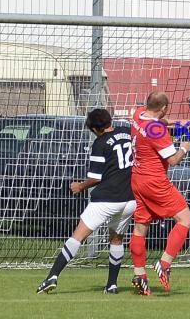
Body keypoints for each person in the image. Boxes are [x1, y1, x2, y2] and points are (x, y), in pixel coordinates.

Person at [36, 109, 136, 294]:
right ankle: (112, 285)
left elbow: (96, 177)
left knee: (78, 236)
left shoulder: (100, 143)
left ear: (95, 129)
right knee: (116, 239)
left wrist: (80, 186)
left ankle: (53, 276)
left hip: (106, 199)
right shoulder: (127, 131)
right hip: (129, 199)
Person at [129, 91, 190, 295]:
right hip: (155, 181)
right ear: (164, 108)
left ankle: (140, 275)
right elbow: (172, 160)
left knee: (140, 228)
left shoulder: (138, 114)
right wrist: (184, 148)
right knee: (186, 220)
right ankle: (164, 263)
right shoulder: (157, 130)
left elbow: (159, 120)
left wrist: (177, 123)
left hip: (137, 179)